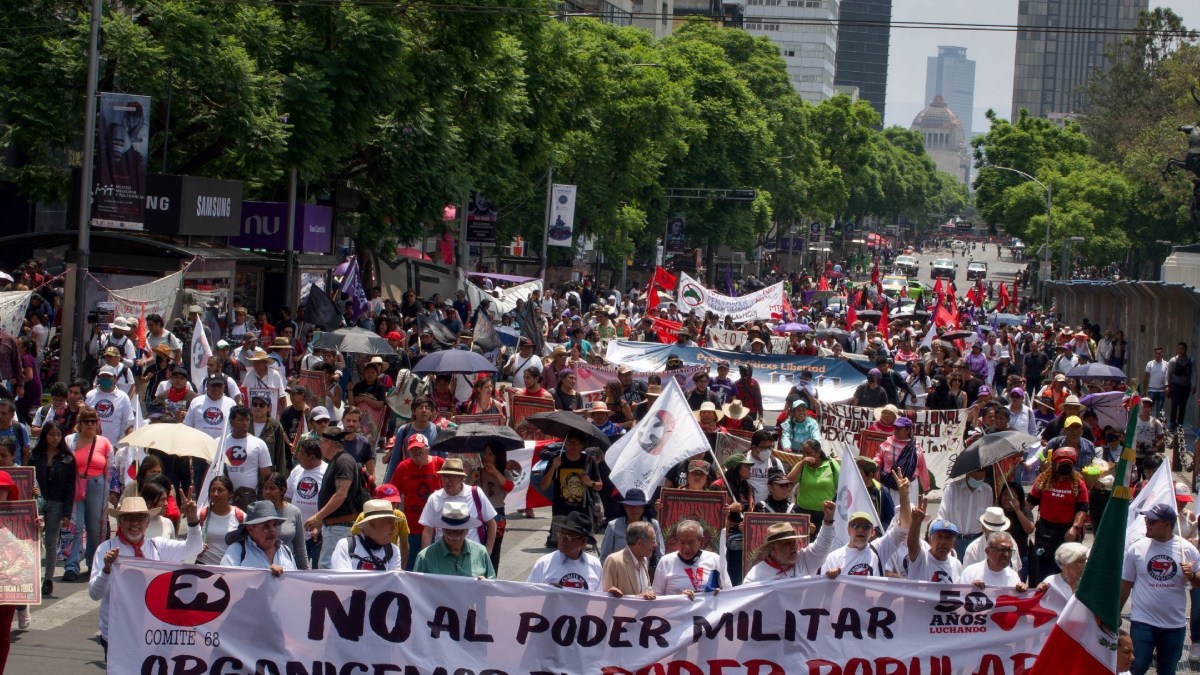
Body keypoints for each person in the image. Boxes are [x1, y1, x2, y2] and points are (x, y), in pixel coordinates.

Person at [89, 495, 201, 656]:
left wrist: (192, 520)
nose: (135, 523)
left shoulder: (157, 546)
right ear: (120, 522)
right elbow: (95, 594)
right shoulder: (106, 549)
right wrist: (106, 570)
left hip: (152, 634)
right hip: (118, 634)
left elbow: (194, 548)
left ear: (147, 522)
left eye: (140, 518)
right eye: (128, 518)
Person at [1121, 504, 1200, 675]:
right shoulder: (1136, 549)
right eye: (1146, 520)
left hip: (1174, 625)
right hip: (1143, 622)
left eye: (1152, 521)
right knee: (1137, 666)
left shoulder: (1188, 550)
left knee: (1167, 671)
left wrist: (1193, 576)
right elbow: (1125, 584)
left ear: (1166, 524)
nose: (1147, 524)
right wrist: (1115, 615)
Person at [822, 472, 912, 578]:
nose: (860, 530)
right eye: (855, 526)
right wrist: (831, 578)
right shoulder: (833, 558)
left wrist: (904, 496)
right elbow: (825, 590)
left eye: (866, 527)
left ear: (872, 532)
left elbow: (904, 527)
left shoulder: (879, 550)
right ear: (848, 530)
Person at [62, 407, 112, 583]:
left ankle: (93, 563)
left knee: (95, 528)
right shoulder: (70, 440)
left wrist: (111, 493)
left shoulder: (104, 442)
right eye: (86, 421)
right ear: (80, 423)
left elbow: (110, 470)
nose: (90, 424)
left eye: (93, 421)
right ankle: (71, 566)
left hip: (97, 485)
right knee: (76, 526)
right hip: (75, 485)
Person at [305, 427, 366, 569]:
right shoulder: (336, 461)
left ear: (329, 443)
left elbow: (341, 495)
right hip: (333, 527)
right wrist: (322, 522)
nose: (320, 446)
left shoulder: (343, 461)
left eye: (321, 443)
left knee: (329, 568)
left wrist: (317, 517)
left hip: (340, 528)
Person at [1028, 447, 1089, 585]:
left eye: (1068, 465)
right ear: (1054, 464)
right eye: (1062, 464)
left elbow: (1083, 509)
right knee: (1042, 569)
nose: (1065, 468)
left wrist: (1075, 527)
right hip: (1045, 531)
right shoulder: (1043, 481)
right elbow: (1029, 504)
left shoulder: (1079, 484)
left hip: (1067, 532)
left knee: (1066, 568)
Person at [28, 421, 76, 597]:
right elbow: (28, 477)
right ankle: (31, 577)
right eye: (51, 434)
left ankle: (48, 579)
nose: (55, 438)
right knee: (32, 541)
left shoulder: (68, 458)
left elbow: (71, 487)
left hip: (57, 504)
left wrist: (67, 514)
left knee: (50, 542)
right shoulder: (35, 455)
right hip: (36, 503)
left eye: (58, 435)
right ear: (45, 436)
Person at [742, 501, 837, 584]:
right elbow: (747, 600)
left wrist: (828, 520)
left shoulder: (804, 559)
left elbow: (823, 546)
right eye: (787, 543)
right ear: (773, 548)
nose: (794, 547)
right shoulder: (755, 577)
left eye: (794, 542)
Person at [388, 434, 444, 569]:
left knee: (435, 567)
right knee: (412, 567)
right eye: (413, 450)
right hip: (412, 527)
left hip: (437, 528)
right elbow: (393, 493)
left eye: (420, 449)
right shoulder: (403, 467)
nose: (416, 453)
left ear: (427, 449)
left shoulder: (440, 463)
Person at [418, 457, 497, 553]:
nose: (447, 480)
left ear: (461, 478)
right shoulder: (434, 498)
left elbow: (491, 523)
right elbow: (428, 530)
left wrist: (488, 551)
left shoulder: (475, 493)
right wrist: (425, 557)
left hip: (471, 555)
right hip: (442, 556)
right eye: (444, 476)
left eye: (452, 476)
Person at [541, 431, 602, 546]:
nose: (573, 446)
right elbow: (544, 486)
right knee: (561, 545)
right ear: (565, 444)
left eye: (577, 443)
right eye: (570, 442)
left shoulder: (589, 460)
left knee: (582, 545)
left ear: (582, 445)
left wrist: (590, 483)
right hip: (561, 511)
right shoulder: (556, 459)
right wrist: (553, 467)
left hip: (583, 513)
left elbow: (600, 485)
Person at [412, 502, 495, 578]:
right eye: (448, 530)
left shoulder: (481, 552)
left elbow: (493, 585)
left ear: (467, 530)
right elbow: (415, 589)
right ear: (442, 529)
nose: (453, 535)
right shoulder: (424, 557)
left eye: (459, 530)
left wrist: (486, 584)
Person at [653, 519, 731, 598]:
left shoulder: (714, 560)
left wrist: (719, 594)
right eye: (682, 542)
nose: (686, 547)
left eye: (690, 542)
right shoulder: (666, 562)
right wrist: (679, 598)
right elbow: (656, 598)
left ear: (701, 541)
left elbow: (729, 593)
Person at [527, 511, 604, 590]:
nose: (562, 539)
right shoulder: (544, 563)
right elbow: (528, 594)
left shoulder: (595, 565)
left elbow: (599, 598)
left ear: (583, 541)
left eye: (569, 536)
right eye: (561, 533)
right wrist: (547, 592)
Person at [221, 500, 296, 574]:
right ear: (250, 529)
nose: (272, 530)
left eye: (275, 525)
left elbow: (295, 582)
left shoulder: (286, 551)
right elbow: (224, 581)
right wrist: (263, 574)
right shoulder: (237, 550)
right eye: (265, 526)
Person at [219, 404, 272, 509]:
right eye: (241, 420)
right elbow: (210, 472)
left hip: (250, 499)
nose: (245, 423)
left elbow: (266, 474)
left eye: (247, 420)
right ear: (231, 421)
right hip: (225, 499)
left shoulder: (258, 444)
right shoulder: (220, 443)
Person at [330, 499, 404, 571]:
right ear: (372, 524)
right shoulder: (346, 546)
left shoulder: (393, 551)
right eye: (389, 522)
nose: (394, 527)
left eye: (394, 523)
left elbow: (393, 582)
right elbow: (343, 581)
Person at [285, 438, 326, 567]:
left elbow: (333, 503)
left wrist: (320, 524)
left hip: (319, 535)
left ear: (312, 457)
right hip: (298, 534)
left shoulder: (327, 472)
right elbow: (287, 497)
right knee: (297, 570)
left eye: (301, 454)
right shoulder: (296, 470)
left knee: (317, 571)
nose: (298, 456)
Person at [936, 468, 994, 559]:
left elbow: (987, 520)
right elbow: (942, 518)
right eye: (976, 475)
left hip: (976, 542)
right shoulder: (952, 489)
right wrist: (947, 540)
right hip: (954, 540)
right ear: (969, 472)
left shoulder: (987, 491)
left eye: (981, 477)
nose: (978, 479)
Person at [786, 439, 839, 534]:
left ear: (818, 452)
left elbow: (842, 486)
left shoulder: (831, 465)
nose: (805, 456)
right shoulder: (801, 465)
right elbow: (790, 480)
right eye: (803, 453)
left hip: (825, 513)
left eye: (809, 453)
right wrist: (801, 464)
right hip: (804, 512)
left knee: (824, 541)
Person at [599, 488, 665, 562]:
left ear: (643, 508)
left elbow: (660, 555)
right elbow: (604, 557)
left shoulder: (653, 524)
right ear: (625, 507)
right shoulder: (613, 526)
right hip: (619, 571)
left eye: (638, 506)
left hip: (645, 571)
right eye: (630, 505)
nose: (634, 509)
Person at [905, 503, 962, 584]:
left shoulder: (956, 565)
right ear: (930, 540)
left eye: (948, 538)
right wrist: (916, 523)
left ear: (954, 544)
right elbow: (912, 545)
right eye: (939, 536)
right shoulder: (921, 558)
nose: (943, 542)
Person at [261, 471, 308, 569]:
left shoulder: (294, 512)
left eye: (272, 488)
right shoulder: (257, 511)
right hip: (262, 566)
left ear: (282, 490)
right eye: (265, 488)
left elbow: (299, 546)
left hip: (287, 567)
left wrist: (305, 571)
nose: (267, 492)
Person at [602, 520, 658, 599]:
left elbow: (647, 591)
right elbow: (606, 598)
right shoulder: (614, 561)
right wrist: (638, 598)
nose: (656, 545)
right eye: (653, 540)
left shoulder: (644, 561)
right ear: (639, 543)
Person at [196, 476, 245, 565]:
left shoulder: (241, 516)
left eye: (220, 490)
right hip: (204, 568)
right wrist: (196, 547)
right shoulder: (201, 514)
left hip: (230, 569)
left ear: (230, 494)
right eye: (212, 490)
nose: (215, 494)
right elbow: (190, 542)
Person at [960, 531, 1028, 590]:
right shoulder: (970, 573)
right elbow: (960, 599)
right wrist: (970, 590)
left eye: (1009, 550)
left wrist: (1022, 591)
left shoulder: (1013, 577)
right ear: (987, 551)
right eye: (1002, 550)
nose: (1006, 555)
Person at [84, 366, 134, 445]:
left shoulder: (123, 397)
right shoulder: (90, 395)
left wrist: (121, 445)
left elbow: (128, 422)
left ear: (114, 378)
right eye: (103, 376)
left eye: (108, 376)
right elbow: (83, 419)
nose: (105, 378)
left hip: (114, 445)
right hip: (91, 443)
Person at [1037, 541, 1087, 612]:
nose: (1085, 565)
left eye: (1086, 560)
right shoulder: (1051, 582)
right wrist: (1038, 592)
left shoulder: (1086, 583)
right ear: (1067, 564)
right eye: (1081, 561)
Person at [250, 393, 291, 475]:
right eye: (255, 404)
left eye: (262, 405)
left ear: (269, 408)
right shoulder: (245, 424)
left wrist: (280, 479)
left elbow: (280, 456)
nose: (258, 407)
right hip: (248, 475)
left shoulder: (275, 426)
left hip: (266, 477)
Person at [1166, 342, 1194, 431]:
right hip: (1175, 386)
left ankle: (1180, 424)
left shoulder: (1190, 360)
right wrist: (1167, 385)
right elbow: (1168, 374)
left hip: (1185, 387)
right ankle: (1172, 424)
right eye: (1179, 348)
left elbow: (1194, 374)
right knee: (1174, 404)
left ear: (1186, 349)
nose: (1180, 350)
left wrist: (1194, 385)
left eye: (1182, 348)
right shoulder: (1173, 360)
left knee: (1182, 406)